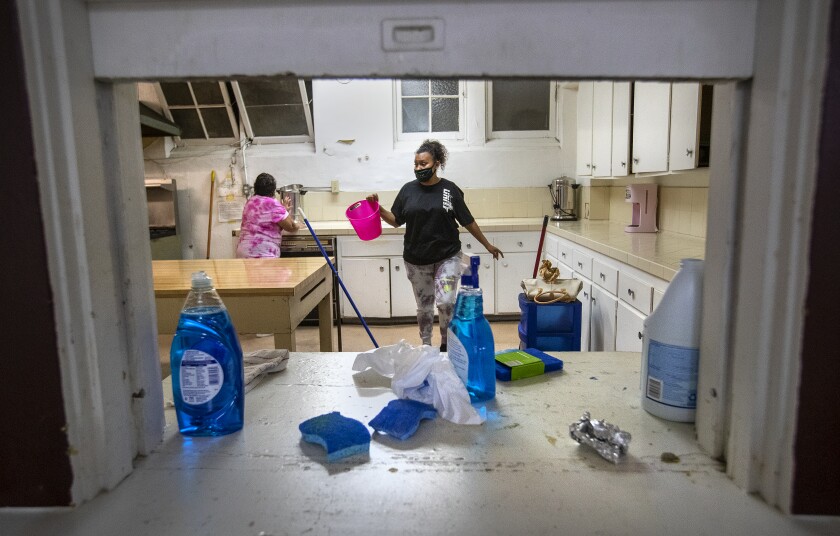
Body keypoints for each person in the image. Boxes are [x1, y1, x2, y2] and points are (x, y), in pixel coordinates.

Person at [367, 139, 503, 351]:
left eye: (423, 164)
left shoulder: (450, 190)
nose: (418, 168)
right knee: (424, 307)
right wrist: (378, 208)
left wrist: (487, 245)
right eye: (416, 164)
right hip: (416, 259)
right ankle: (426, 346)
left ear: (437, 163)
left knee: (446, 302)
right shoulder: (407, 191)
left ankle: (447, 344)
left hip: (447, 257)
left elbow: (467, 220)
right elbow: (396, 220)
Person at [236, 172, 301, 258]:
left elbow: (264, 218)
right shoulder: (272, 204)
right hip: (262, 253)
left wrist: (282, 210)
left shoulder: (250, 202)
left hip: (244, 252)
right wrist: (298, 225)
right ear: (273, 190)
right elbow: (291, 226)